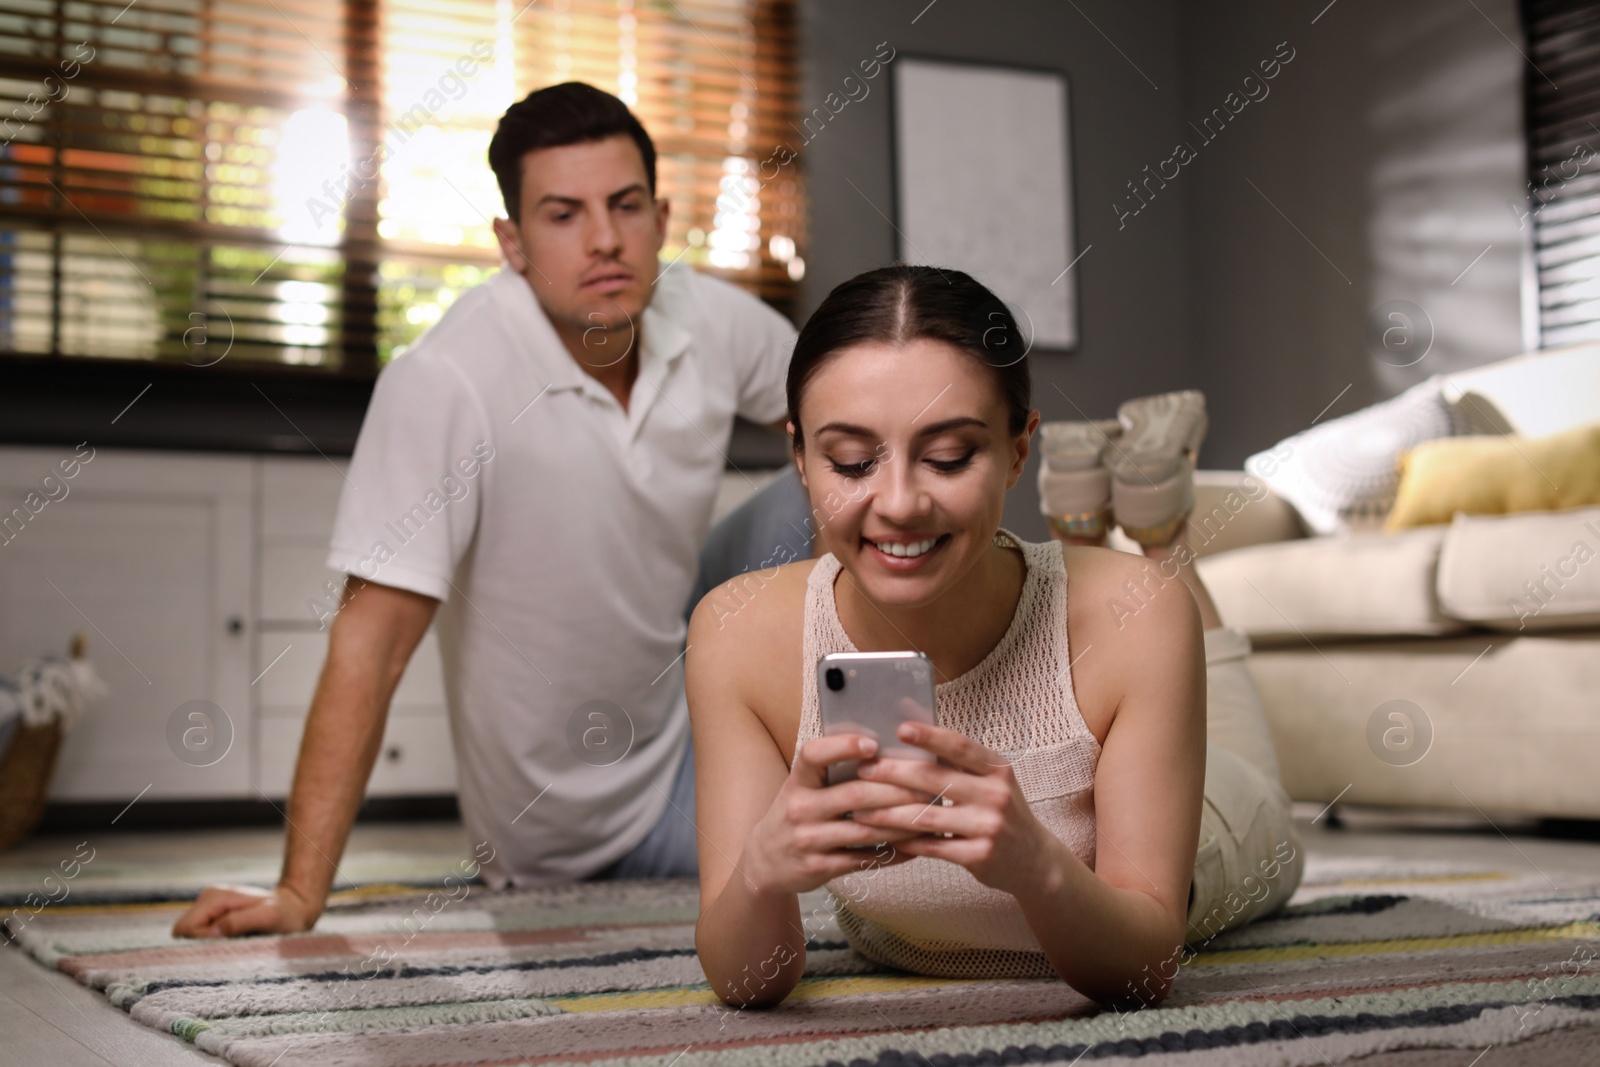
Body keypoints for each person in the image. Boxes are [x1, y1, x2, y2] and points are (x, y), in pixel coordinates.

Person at [172, 82, 797, 938]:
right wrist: (297, 892)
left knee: (844, 460)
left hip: (694, 705)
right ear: (512, 242)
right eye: (563, 214)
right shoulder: (447, 382)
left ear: (661, 216)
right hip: (580, 834)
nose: (605, 240)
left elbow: (848, 407)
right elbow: (373, 642)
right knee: (856, 841)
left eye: (624, 206)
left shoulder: (704, 314)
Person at [687, 265, 1302, 1009]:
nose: (901, 503)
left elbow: (1144, 970)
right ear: (800, 459)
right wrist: (760, 870)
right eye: (851, 461)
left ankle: (1161, 533)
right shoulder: (738, 634)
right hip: (900, 943)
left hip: (1221, 834)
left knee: (1225, 725)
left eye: (949, 457)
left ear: (1017, 449)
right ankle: (1098, 521)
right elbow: (748, 979)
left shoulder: (1139, 615)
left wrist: (1034, 861)